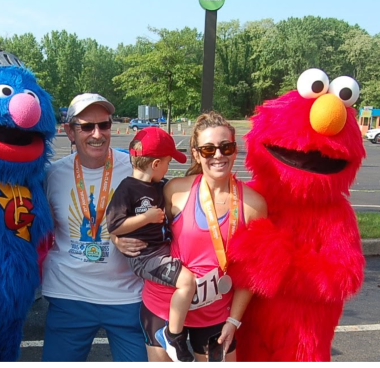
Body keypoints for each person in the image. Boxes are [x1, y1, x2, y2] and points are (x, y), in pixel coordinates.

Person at [114, 111, 268, 362]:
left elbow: (252, 272)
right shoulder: (175, 190)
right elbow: (136, 221)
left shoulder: (253, 205)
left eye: (225, 147)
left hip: (215, 314)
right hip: (163, 307)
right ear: (196, 153)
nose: (218, 155)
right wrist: (117, 239)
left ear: (235, 150)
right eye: (208, 149)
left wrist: (234, 320)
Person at [41, 93, 147, 362]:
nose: (97, 134)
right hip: (69, 294)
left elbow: (158, 221)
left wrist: (129, 235)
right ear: (69, 132)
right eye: (87, 126)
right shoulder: (51, 176)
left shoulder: (134, 171)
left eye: (105, 125)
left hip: (126, 296)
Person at [106, 127, 197, 362]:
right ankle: (173, 336)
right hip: (144, 257)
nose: (168, 168)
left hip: (159, 250)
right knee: (187, 281)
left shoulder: (159, 185)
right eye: (167, 163)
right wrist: (146, 218)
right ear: (155, 164)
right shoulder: (126, 189)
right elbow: (114, 226)